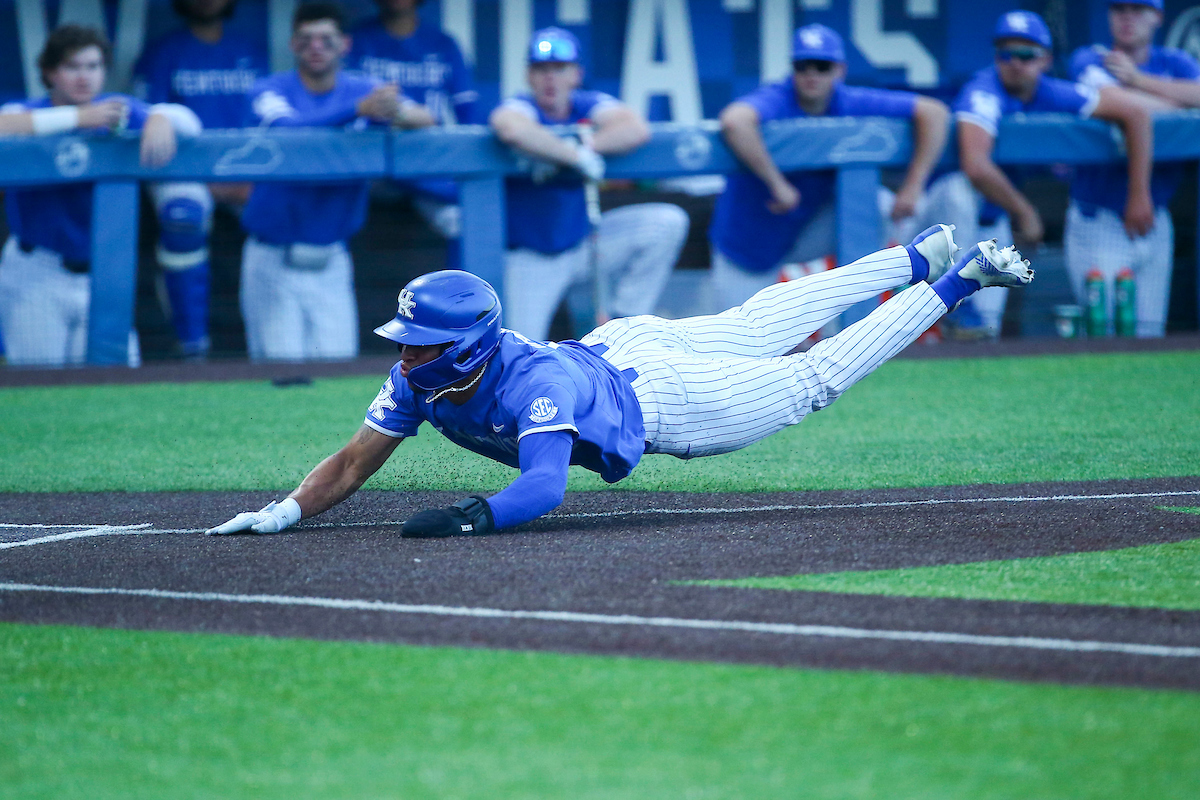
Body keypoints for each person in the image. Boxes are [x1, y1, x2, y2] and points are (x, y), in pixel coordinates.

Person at [207, 223, 1035, 538]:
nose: (405, 355)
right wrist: (283, 512)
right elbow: (354, 463)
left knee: (808, 378)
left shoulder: (529, 386)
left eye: (420, 344)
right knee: (752, 325)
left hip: (656, 397)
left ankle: (952, 281)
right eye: (406, 342)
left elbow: (542, 490)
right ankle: (909, 258)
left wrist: (469, 518)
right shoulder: (420, 382)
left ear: (463, 348)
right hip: (615, 345)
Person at [239, 1, 433, 362]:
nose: (316, 47)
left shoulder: (364, 88)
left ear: (345, 45)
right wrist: (358, 111)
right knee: (283, 375)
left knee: (338, 370)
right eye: (306, 38)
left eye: (326, 39)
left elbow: (425, 119)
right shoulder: (269, 88)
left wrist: (395, 110)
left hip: (332, 257)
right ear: (292, 44)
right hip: (274, 255)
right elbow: (290, 132)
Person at [943, 9, 1153, 338]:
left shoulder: (1053, 92)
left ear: (1045, 60)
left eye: (1027, 54)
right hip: (937, 219)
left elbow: (1136, 112)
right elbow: (975, 165)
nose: (1015, 62)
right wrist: (1025, 211)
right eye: (1006, 53)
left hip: (993, 217)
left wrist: (1139, 193)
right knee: (959, 191)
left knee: (984, 331)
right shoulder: (983, 90)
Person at [709, 23, 950, 306]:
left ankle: (853, 316)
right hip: (749, 239)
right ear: (793, 69)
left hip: (806, 227)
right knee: (741, 343)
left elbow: (935, 113)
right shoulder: (778, 97)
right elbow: (734, 120)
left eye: (822, 66)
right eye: (803, 65)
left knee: (879, 205)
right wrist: (777, 184)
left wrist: (913, 187)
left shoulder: (848, 100)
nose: (812, 74)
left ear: (839, 70)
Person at [0, 24, 199, 367]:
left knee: (115, 384)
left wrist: (160, 116)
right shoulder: (30, 111)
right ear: (50, 72)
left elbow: (191, 124)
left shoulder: (115, 111)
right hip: (37, 272)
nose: (84, 77)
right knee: (38, 391)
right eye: (73, 67)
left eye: (93, 67)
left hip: (103, 275)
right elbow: (5, 124)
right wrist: (78, 117)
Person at [488, 27, 689, 341]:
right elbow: (510, 128)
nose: (550, 78)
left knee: (666, 222)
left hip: (584, 244)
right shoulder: (524, 106)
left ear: (575, 74)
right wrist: (573, 156)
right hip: (531, 257)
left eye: (559, 69)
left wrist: (592, 147)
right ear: (529, 75)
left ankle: (626, 322)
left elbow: (634, 127)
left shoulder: (585, 104)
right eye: (541, 69)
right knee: (519, 350)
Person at [132, 0, 269, 359]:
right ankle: (192, 345)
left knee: (284, 209)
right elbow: (152, 125)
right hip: (184, 170)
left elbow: (264, 124)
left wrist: (246, 176)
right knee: (183, 215)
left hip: (242, 169)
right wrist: (208, 177)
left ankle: (275, 341)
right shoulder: (163, 52)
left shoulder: (249, 51)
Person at [1066, 0, 1200, 337]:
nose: (1127, 18)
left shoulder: (1174, 62)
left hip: (1157, 217)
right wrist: (1178, 105)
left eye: (1137, 9)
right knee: (1105, 334)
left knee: (1149, 337)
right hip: (1100, 216)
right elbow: (1125, 106)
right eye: (1119, 9)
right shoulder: (1091, 58)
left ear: (1157, 17)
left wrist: (1139, 80)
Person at [347, 0, 475, 259]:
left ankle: (466, 297)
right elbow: (347, 104)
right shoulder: (358, 40)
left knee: (465, 217)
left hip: (425, 161)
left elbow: (468, 114)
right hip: (371, 160)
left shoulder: (442, 43)